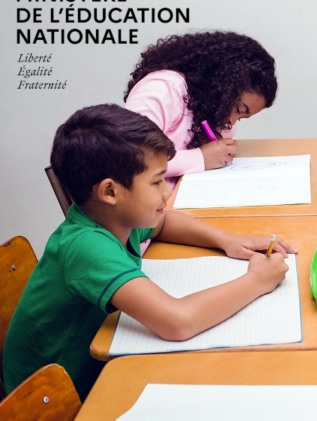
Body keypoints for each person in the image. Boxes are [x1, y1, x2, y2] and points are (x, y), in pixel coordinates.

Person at [3, 105, 295, 399]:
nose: (167, 192)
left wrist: (227, 240)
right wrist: (257, 281)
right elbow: (177, 322)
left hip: (87, 367)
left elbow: (162, 222)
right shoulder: (85, 246)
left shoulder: (114, 217)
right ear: (110, 192)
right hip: (48, 398)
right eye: (156, 182)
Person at [124, 31, 277, 188]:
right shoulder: (161, 90)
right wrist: (201, 158)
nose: (231, 123)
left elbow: (221, 137)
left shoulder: (206, 105)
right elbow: (130, 159)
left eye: (241, 118)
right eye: (238, 109)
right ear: (222, 84)